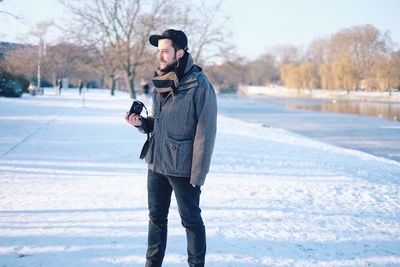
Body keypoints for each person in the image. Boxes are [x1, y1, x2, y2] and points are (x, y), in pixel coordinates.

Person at [125, 29, 217, 267]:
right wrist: (142, 124)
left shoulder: (199, 84)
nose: (160, 56)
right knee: (156, 219)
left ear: (180, 53)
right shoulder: (161, 80)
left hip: (184, 168)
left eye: (165, 51)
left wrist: (198, 174)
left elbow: (206, 133)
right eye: (159, 51)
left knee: (191, 221)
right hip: (156, 162)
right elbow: (159, 122)